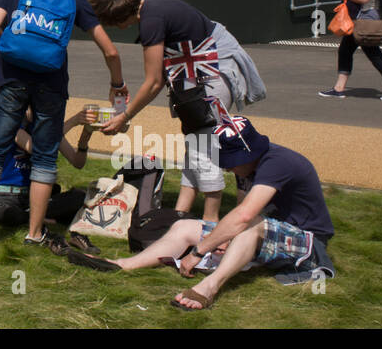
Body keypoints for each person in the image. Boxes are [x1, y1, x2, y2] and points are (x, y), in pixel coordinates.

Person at [0, 0, 125, 256]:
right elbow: (110, 50)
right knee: (45, 158)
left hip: (9, 79)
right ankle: (34, 234)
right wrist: (117, 86)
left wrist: (10, 50)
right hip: (52, 83)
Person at [70, 117, 335, 313]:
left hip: (309, 243)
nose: (229, 170)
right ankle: (126, 264)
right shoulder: (250, 165)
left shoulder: (278, 163)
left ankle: (209, 287)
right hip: (267, 233)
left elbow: (245, 216)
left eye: (229, 163)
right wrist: (225, 238)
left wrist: (199, 252)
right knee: (185, 226)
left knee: (249, 224)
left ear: (246, 154)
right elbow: (240, 216)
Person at [90, 0, 267, 221]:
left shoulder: (151, 20)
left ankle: (210, 220)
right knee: (195, 145)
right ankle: (180, 213)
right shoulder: (154, 10)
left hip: (213, 72)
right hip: (206, 74)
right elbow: (161, 73)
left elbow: (153, 82)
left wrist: (126, 115)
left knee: (203, 147)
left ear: (116, 15)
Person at [0, 105, 101, 255]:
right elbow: (39, 148)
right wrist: (73, 121)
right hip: (6, 197)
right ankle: (37, 217)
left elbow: (78, 162)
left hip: (34, 198)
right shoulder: (12, 125)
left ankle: (36, 216)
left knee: (79, 197)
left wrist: (86, 135)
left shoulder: (49, 131)